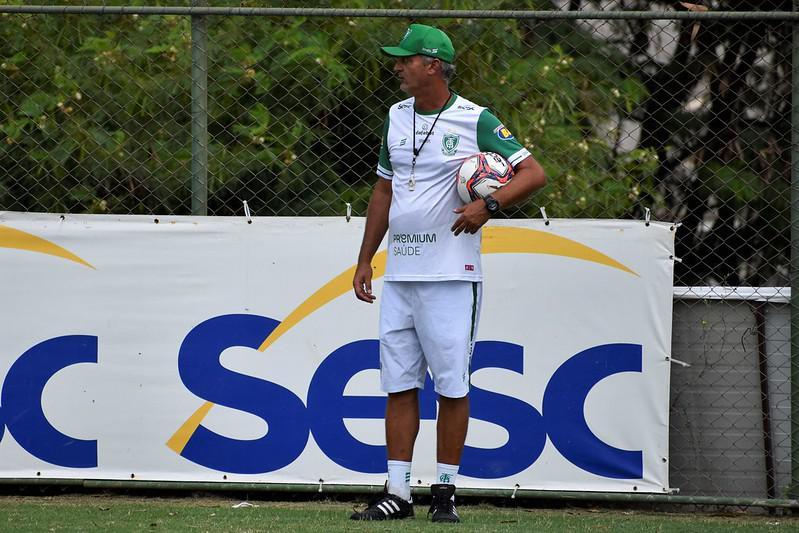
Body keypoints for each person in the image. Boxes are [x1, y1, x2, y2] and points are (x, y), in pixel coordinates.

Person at [350, 23, 546, 523]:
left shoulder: (475, 118)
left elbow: (533, 172)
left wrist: (490, 205)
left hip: (452, 275)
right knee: (398, 383)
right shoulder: (395, 116)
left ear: (432, 64)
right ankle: (397, 493)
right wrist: (366, 258)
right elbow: (383, 191)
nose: (397, 65)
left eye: (405, 59)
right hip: (400, 274)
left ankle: (444, 490)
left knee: (452, 385)